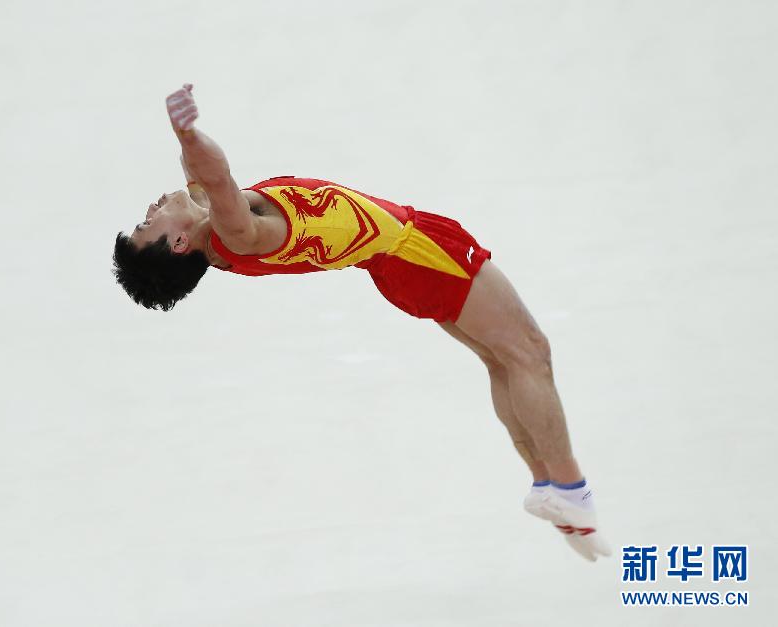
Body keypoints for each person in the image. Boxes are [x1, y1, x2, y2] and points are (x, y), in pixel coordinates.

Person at [112, 84, 611, 561]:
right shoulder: (237, 233)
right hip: (415, 253)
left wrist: (188, 142)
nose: (150, 209)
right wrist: (187, 134)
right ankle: (571, 488)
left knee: (501, 360)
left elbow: (202, 179)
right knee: (529, 352)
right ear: (178, 244)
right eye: (145, 224)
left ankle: (546, 483)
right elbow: (217, 178)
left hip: (397, 263)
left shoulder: (214, 231)